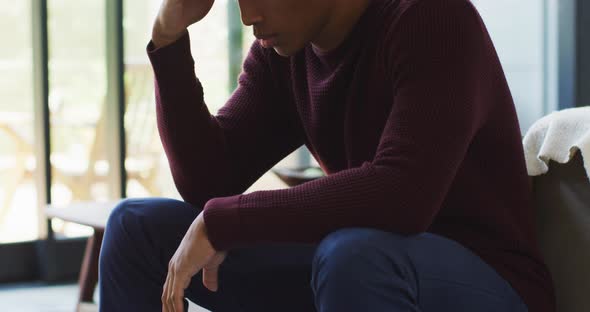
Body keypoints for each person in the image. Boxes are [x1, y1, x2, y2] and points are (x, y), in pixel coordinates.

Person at [98, 0, 557, 311]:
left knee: (354, 254)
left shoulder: (430, 17)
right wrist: (169, 35)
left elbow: (403, 193)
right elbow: (208, 181)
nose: (247, 14)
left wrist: (226, 221)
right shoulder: (283, 52)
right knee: (135, 228)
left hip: (485, 279)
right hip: (355, 263)